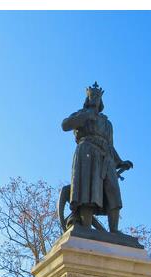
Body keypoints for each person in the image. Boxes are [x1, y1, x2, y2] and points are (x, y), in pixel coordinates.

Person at [62, 82, 132, 233]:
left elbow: (110, 145)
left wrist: (120, 162)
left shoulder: (107, 123)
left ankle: (114, 231)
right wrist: (84, 116)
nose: (94, 99)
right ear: (87, 99)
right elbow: (65, 125)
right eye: (91, 96)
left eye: (97, 97)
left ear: (101, 101)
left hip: (106, 158)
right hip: (87, 152)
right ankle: (85, 228)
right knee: (87, 190)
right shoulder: (81, 115)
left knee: (113, 191)